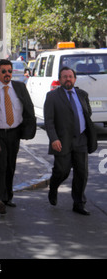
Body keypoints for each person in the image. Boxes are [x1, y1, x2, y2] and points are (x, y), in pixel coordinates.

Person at [0, 59, 36, 214]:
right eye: (3, 71)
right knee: (0, 166)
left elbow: (28, 108)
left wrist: (28, 129)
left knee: (10, 165)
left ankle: (7, 197)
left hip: (14, 133)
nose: (7, 74)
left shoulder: (20, 87)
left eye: (9, 71)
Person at [44, 66, 97, 215]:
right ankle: (53, 187)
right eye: (65, 76)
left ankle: (79, 203)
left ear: (74, 79)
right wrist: (54, 138)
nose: (68, 79)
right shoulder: (52, 96)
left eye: (70, 76)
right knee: (62, 171)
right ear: (60, 80)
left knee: (82, 173)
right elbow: (49, 120)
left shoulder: (82, 94)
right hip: (62, 140)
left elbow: (88, 113)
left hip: (81, 139)